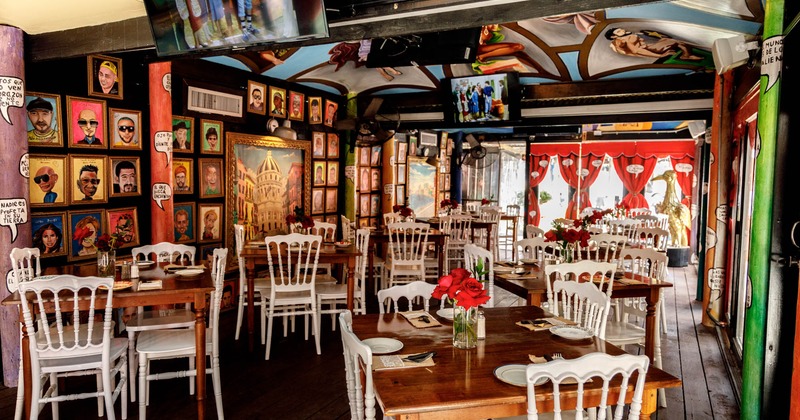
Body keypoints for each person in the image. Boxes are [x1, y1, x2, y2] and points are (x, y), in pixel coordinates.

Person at [605, 27, 702, 60]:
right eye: (619, 31)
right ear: (614, 36)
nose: (622, 30)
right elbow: (637, 51)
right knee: (677, 42)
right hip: (650, 50)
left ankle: (686, 55)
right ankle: (686, 56)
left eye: (621, 29)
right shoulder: (625, 40)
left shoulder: (624, 38)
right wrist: (660, 56)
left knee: (668, 40)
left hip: (649, 47)